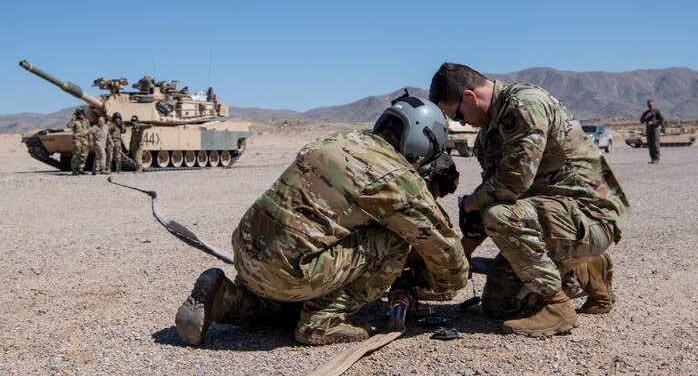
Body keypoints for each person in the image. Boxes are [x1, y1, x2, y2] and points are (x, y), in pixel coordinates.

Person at [175, 96, 469, 346]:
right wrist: (433, 283)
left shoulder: (339, 139)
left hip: (247, 254)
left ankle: (223, 295)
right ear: (420, 143)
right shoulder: (397, 178)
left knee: (279, 308)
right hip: (291, 272)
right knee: (394, 237)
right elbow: (446, 252)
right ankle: (321, 321)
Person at [429, 62, 630, 337]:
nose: (462, 123)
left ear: (470, 97)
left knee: (499, 216)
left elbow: (513, 183)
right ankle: (585, 265)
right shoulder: (489, 136)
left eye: (459, 115)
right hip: (556, 219)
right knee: (497, 305)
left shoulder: (525, 104)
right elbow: (493, 195)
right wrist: (463, 252)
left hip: (591, 217)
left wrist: (473, 203)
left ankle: (557, 306)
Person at [67, 108, 91, 175]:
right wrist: (73, 119)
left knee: (84, 155)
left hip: (85, 140)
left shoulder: (86, 121)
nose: (81, 115)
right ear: (77, 114)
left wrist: (90, 140)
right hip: (77, 139)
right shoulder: (75, 121)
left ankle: (81, 168)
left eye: (82, 113)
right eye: (80, 114)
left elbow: (89, 131)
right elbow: (69, 126)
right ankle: (74, 170)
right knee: (76, 155)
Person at [640, 99, 664, 164]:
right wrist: (645, 117)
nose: (649, 106)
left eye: (650, 105)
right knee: (650, 144)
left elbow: (662, 120)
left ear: (653, 104)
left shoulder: (657, 112)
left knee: (655, 144)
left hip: (655, 129)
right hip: (648, 130)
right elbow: (641, 120)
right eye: (648, 105)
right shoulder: (646, 113)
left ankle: (656, 159)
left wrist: (653, 122)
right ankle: (653, 159)